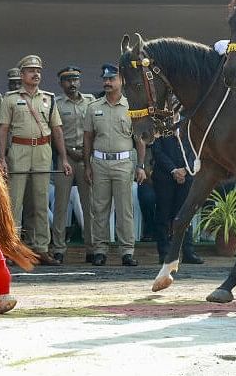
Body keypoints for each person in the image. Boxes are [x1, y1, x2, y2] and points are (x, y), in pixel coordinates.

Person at [0, 54, 72, 266]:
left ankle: (41, 249)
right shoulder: (10, 99)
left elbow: (57, 130)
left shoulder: (48, 98)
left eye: (38, 70)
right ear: (22, 75)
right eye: (31, 70)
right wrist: (2, 158)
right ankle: (11, 249)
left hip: (42, 150)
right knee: (15, 203)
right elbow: (3, 129)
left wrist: (64, 159)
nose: (36, 74)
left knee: (41, 202)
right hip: (19, 149)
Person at [84, 63, 147, 267]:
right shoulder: (94, 107)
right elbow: (88, 138)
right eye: (105, 79)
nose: (107, 82)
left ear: (122, 81)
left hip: (124, 162)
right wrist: (87, 165)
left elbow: (140, 140)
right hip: (100, 162)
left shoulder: (132, 107)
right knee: (99, 208)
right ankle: (100, 250)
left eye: (112, 79)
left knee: (124, 209)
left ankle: (127, 251)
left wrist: (141, 166)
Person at [51, 65, 96, 263]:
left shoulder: (91, 102)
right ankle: (59, 248)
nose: (72, 84)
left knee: (90, 205)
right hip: (66, 158)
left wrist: (86, 155)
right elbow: (54, 133)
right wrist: (68, 153)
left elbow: (95, 130)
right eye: (68, 80)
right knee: (61, 205)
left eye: (75, 79)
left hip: (87, 158)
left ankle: (92, 248)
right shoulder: (57, 103)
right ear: (61, 83)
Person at [150, 130, 203, 264]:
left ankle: (188, 252)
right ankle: (165, 252)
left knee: (186, 213)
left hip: (187, 176)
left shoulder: (189, 124)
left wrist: (185, 169)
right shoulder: (160, 126)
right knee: (163, 213)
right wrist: (173, 170)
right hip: (164, 177)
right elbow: (157, 152)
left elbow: (196, 150)